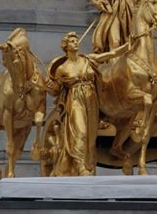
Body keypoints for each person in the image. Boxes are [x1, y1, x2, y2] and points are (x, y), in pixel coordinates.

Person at [45, 32, 128, 176]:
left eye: (76, 40)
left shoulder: (89, 59)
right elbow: (55, 91)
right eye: (72, 41)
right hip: (75, 99)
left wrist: (129, 44)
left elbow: (111, 54)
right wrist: (47, 86)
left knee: (91, 136)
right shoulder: (62, 68)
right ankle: (80, 166)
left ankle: (89, 166)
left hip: (91, 99)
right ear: (66, 46)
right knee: (80, 132)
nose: (76, 43)